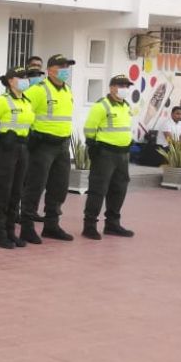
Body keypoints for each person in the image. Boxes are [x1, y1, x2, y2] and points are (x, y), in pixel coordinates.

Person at [20, 54, 77, 243]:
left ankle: (51, 225)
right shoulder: (38, 90)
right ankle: (27, 227)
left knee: (59, 187)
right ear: (50, 69)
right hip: (42, 146)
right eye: (62, 66)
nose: (65, 70)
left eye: (67, 66)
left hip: (62, 146)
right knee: (35, 187)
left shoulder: (67, 90)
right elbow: (22, 113)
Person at [0, 66, 42, 249]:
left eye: (26, 77)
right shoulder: (2, 101)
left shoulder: (27, 101)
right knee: (3, 193)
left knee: (16, 193)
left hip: (22, 149)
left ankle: (10, 232)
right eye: (21, 77)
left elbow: (29, 125)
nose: (25, 80)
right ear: (10, 81)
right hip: (6, 151)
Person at [82, 75, 137, 239]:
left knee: (119, 189)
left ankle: (112, 224)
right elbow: (89, 128)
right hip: (105, 153)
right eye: (121, 85)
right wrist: (93, 146)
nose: (124, 88)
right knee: (98, 190)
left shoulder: (126, 106)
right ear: (112, 87)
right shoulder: (101, 106)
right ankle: (89, 225)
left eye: (127, 86)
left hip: (123, 154)